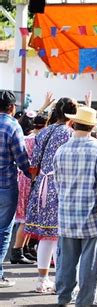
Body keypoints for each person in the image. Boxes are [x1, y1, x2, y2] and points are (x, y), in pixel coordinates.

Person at [53, 106, 97, 305]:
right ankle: (85, 300)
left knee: (66, 261)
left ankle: (63, 297)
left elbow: (57, 183)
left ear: (72, 124)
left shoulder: (61, 150)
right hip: (92, 213)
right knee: (89, 262)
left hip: (66, 211)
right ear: (92, 127)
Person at [24, 98, 78, 293]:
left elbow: (34, 163)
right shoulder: (70, 134)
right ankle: (60, 280)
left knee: (45, 236)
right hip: (60, 186)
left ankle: (41, 279)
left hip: (41, 185)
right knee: (59, 236)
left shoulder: (44, 131)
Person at [0, 90, 30, 288]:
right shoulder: (12, 125)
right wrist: (32, 176)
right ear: (12, 108)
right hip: (5, 185)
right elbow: (21, 159)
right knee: (2, 231)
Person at [10, 113, 47, 265]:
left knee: (26, 218)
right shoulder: (39, 140)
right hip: (31, 177)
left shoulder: (26, 138)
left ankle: (22, 249)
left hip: (23, 177)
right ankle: (17, 251)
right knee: (25, 218)